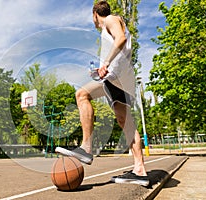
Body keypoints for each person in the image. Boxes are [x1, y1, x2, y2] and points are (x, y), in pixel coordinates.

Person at [55, 1, 149, 186]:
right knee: (126, 122)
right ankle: (140, 170)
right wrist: (103, 67)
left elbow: (120, 39)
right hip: (121, 78)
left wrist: (105, 63)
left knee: (82, 94)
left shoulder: (110, 20)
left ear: (95, 14)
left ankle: (86, 148)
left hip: (116, 78)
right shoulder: (113, 24)